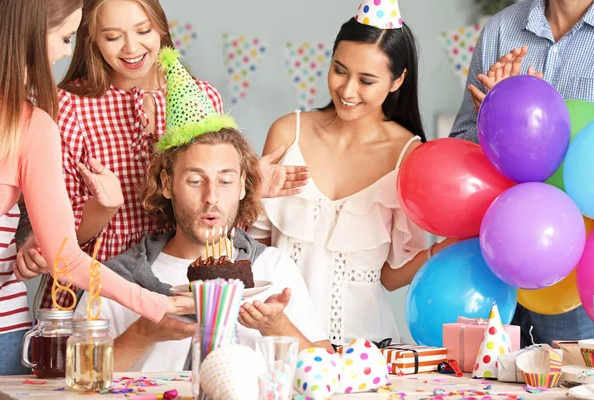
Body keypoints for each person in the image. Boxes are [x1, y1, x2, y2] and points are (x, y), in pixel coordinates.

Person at [20, 0, 308, 312]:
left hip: (181, 288)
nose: (131, 48)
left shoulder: (201, 95)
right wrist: (104, 207)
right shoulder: (66, 106)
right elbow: (62, 237)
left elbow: (206, 209)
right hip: (97, 295)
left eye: (143, 30)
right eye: (113, 37)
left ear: (160, 27)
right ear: (91, 38)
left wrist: (243, 186)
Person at [74, 48, 329, 372]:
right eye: (195, 181)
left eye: (225, 181)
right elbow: (75, 380)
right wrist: (143, 333)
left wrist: (276, 326)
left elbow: (326, 371)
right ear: (166, 184)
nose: (211, 197)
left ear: (241, 186)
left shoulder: (271, 269)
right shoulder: (115, 279)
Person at [0, 0, 191, 376]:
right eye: (67, 37)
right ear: (33, 33)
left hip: (5, 330)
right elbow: (64, 258)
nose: (68, 51)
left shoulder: (31, 124)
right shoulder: (42, 121)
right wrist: (153, 302)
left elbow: (58, 253)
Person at [248, 0, 455, 345]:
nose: (347, 90)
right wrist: (248, 194)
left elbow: (389, 277)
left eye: (366, 80)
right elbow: (256, 254)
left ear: (397, 80)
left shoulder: (409, 157)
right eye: (340, 70)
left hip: (364, 349)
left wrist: (440, 250)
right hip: (279, 343)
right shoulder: (288, 133)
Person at [449, 0, 594, 346]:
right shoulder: (501, 29)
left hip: (575, 268)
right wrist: (495, 117)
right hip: (495, 255)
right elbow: (461, 143)